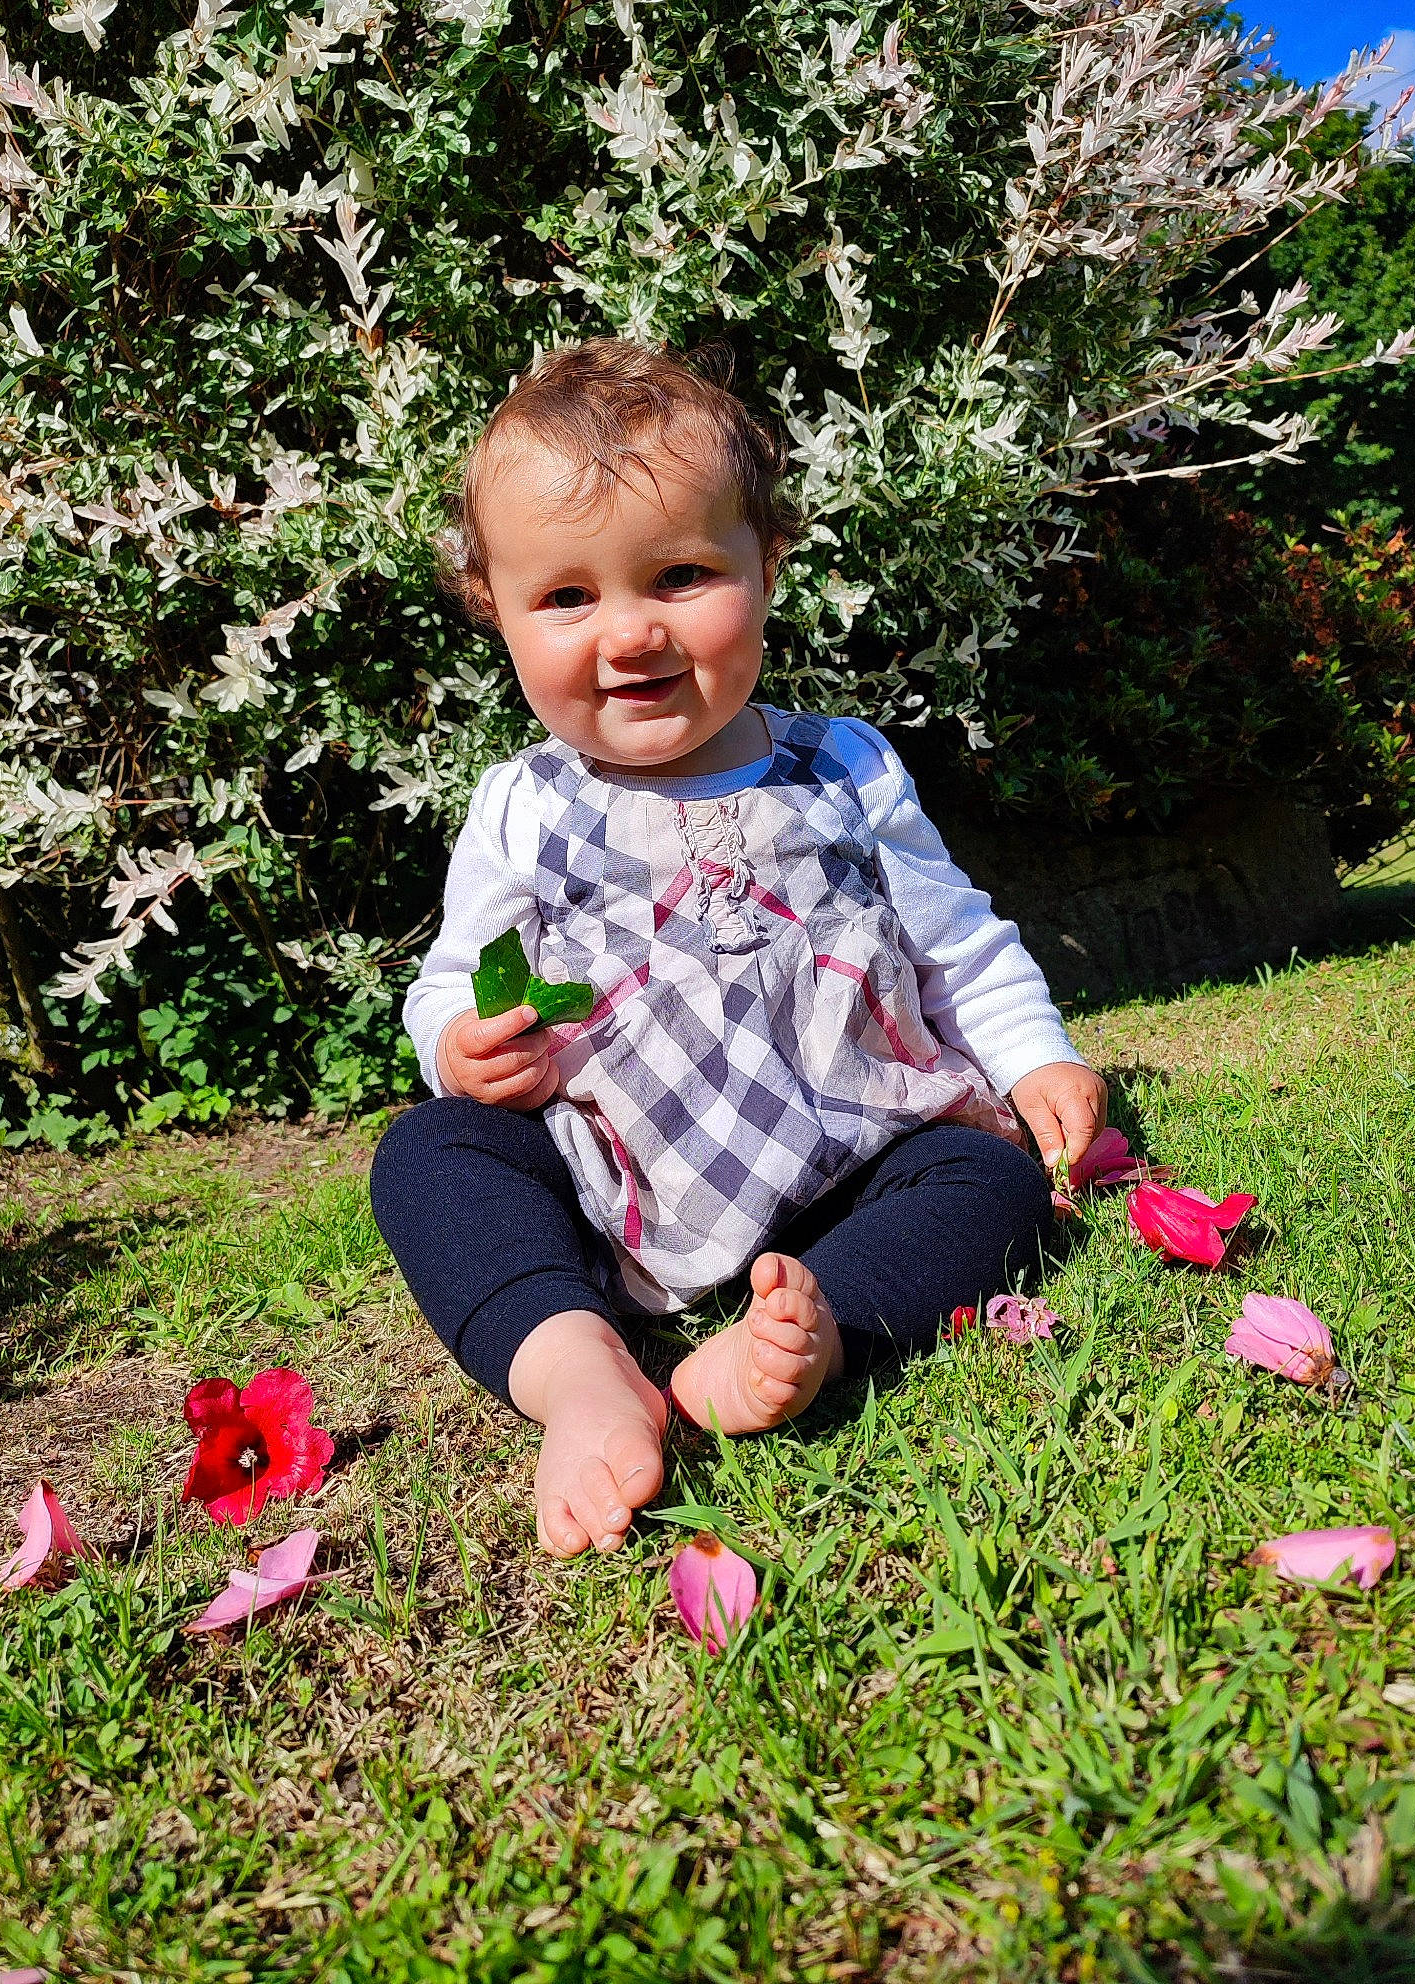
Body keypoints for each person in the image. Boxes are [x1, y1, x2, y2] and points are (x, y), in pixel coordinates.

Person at [370, 339, 1108, 1559]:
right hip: (611, 1185)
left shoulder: (846, 767)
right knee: (433, 1152)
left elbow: (956, 943)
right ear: (492, 607)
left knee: (990, 1183)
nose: (630, 634)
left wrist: (1034, 1060)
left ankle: (810, 1333)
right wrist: (460, 1046)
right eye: (566, 597)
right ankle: (576, 1364)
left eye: (680, 574)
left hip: (847, 1165)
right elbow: (452, 976)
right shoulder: (525, 804)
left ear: (768, 564)